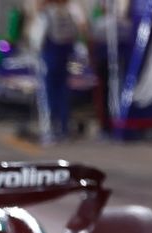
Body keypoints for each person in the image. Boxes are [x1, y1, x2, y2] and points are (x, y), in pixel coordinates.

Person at [32, 0, 87, 139]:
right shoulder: (69, 12)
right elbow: (77, 32)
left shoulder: (47, 14)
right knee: (63, 91)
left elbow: (37, 37)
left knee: (49, 92)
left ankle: (51, 127)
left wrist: (37, 50)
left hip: (50, 54)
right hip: (65, 54)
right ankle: (63, 126)